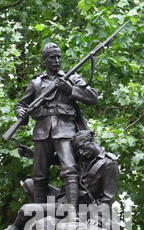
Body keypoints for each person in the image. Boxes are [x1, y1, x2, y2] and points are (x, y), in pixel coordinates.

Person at [15, 42, 98, 214]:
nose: (57, 60)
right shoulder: (36, 83)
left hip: (65, 129)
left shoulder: (71, 77)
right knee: (39, 174)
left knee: (69, 169)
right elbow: (21, 104)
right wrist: (21, 113)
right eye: (52, 57)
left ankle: (73, 214)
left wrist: (70, 90)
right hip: (42, 131)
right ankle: (38, 215)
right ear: (45, 60)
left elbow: (92, 97)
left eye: (59, 56)